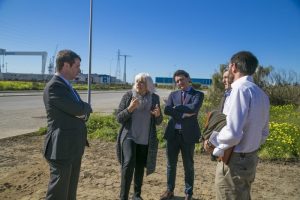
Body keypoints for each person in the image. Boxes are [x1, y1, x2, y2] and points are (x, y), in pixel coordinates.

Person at [204, 51, 270, 199]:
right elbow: (264, 132)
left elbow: (233, 133)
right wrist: (249, 146)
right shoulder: (262, 94)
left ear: (233, 67)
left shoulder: (239, 90)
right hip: (250, 158)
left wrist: (216, 144)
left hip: (233, 162)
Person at [43, 49, 93, 200]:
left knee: (70, 191)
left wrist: (82, 110)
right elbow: (78, 108)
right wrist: (85, 108)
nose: (79, 69)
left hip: (72, 147)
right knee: (58, 193)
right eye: (77, 66)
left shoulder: (67, 86)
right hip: (61, 148)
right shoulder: (55, 86)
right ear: (66, 65)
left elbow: (79, 110)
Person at [116, 73, 163, 200]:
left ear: (148, 85)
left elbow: (159, 121)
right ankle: (123, 196)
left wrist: (158, 115)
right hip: (129, 136)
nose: (138, 84)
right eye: (137, 81)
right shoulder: (128, 96)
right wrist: (130, 109)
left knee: (140, 166)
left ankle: (136, 195)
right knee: (129, 162)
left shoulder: (154, 98)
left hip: (145, 138)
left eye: (142, 82)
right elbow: (119, 118)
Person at [160, 70, 204, 200]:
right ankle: (169, 190)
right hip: (173, 135)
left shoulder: (198, 94)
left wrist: (176, 108)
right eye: (177, 81)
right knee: (170, 164)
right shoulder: (173, 94)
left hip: (188, 136)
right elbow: (167, 110)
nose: (179, 83)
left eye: (181, 80)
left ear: (188, 78)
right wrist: (183, 114)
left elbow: (194, 108)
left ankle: (188, 193)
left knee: (188, 166)